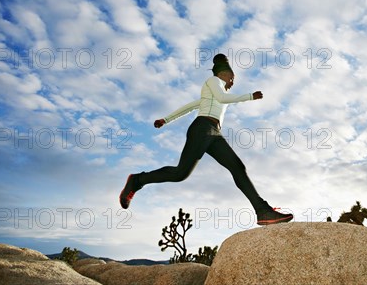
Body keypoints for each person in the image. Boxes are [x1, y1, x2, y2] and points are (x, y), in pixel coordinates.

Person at [119, 53, 293, 226]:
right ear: (225, 74)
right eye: (233, 78)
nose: (233, 82)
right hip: (202, 129)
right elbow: (222, 98)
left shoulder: (214, 92)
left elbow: (190, 106)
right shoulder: (214, 81)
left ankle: (262, 211)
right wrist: (249, 96)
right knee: (180, 173)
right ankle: (137, 180)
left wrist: (166, 119)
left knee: (237, 167)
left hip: (214, 133)